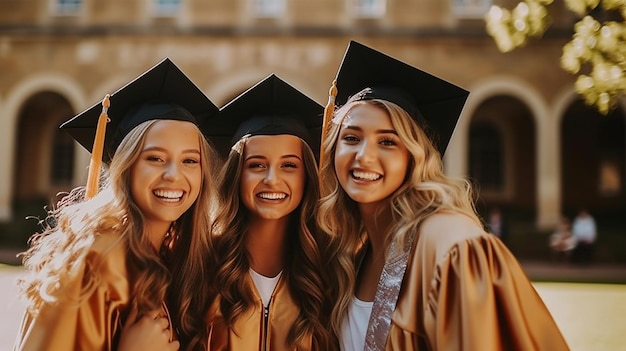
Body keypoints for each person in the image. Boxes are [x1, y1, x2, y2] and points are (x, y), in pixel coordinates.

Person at [317, 41, 569, 350]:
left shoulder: (452, 247)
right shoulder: (353, 256)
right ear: (333, 150)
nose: (364, 156)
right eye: (352, 138)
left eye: (388, 142)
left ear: (415, 156)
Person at [13, 58, 221, 351]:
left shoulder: (178, 257)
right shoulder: (95, 259)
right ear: (126, 167)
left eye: (190, 160)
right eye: (155, 158)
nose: (174, 175)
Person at [201, 74, 338, 350]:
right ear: (236, 175)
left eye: (289, 165)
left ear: (306, 177)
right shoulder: (202, 263)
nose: (272, 179)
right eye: (257, 165)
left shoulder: (332, 268)